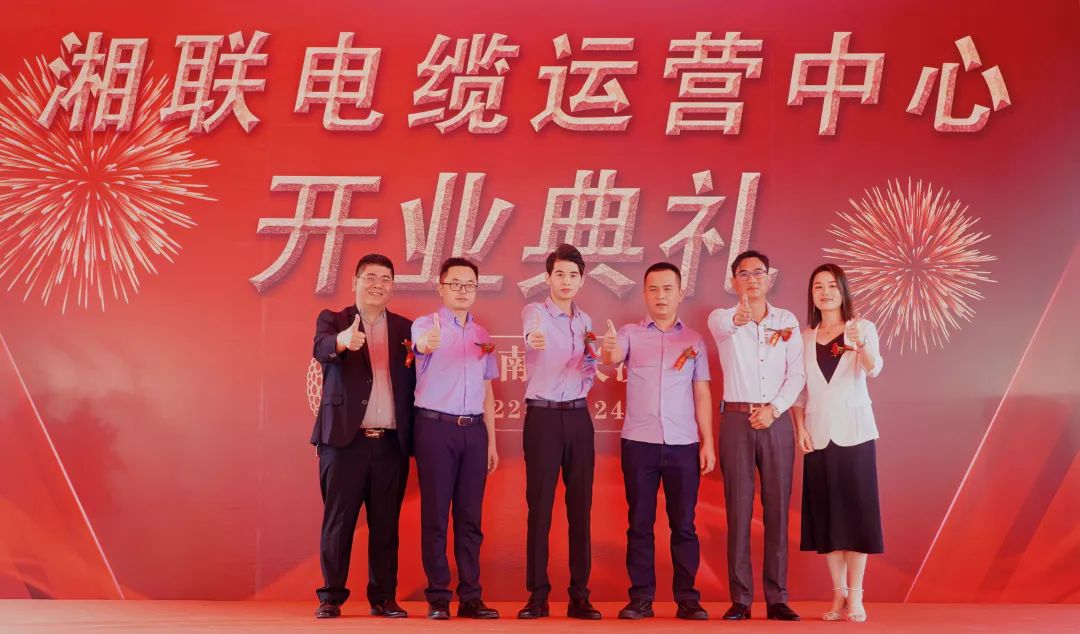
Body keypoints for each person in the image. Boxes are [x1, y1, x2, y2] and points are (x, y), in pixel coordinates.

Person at [602, 262, 715, 621]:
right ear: (645, 294)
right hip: (640, 443)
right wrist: (607, 348)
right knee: (640, 524)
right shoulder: (630, 334)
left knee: (684, 525)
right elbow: (611, 357)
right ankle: (641, 598)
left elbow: (702, 393)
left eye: (667, 289)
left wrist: (708, 442)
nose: (660, 296)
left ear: (680, 293)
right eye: (653, 289)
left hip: (683, 444)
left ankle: (688, 599)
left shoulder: (694, 341)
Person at [310, 253, 415, 619]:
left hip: (390, 444)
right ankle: (331, 597)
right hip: (344, 442)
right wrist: (342, 341)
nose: (378, 284)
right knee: (338, 522)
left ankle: (383, 597)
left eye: (385, 279)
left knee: (386, 526)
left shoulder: (406, 330)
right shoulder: (333, 320)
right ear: (355, 281)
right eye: (370, 277)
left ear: (392, 286)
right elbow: (320, 348)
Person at [707, 249, 805, 621]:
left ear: (769, 278)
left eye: (758, 272)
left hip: (775, 420)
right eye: (744, 274)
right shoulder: (722, 318)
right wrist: (738, 317)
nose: (752, 279)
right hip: (736, 420)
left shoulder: (787, 320)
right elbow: (725, 325)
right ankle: (741, 599)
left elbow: (797, 373)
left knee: (777, 509)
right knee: (738, 510)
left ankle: (777, 598)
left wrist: (774, 408)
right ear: (734, 281)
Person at [791, 263, 884, 623]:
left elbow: (873, 368)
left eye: (832, 285)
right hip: (818, 434)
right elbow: (799, 391)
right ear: (811, 294)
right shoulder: (804, 337)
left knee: (857, 515)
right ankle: (838, 593)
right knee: (828, 516)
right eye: (818, 286)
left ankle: (857, 595)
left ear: (843, 291)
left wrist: (860, 345)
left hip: (855, 433)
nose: (825, 292)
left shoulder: (863, 328)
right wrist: (800, 427)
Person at [411, 257, 500, 620]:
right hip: (435, 428)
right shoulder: (425, 325)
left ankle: (471, 597)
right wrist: (427, 343)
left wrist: (491, 441)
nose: (463, 291)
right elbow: (421, 344)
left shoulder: (483, 335)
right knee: (435, 516)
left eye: (469, 285)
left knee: (470, 518)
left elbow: (488, 390)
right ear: (441, 287)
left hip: (474, 431)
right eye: (455, 284)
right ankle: (438, 597)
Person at [517, 244, 602, 620]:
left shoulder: (585, 321)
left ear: (582, 280)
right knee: (540, 507)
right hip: (544, 418)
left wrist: (589, 369)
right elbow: (530, 335)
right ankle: (537, 595)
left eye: (573, 275)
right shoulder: (535, 312)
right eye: (560, 274)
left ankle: (580, 595)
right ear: (548, 278)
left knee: (580, 508)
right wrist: (533, 340)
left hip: (579, 418)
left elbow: (589, 364)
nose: (566, 281)